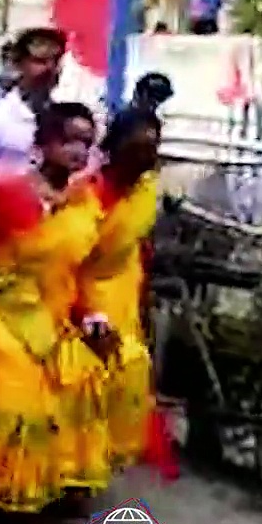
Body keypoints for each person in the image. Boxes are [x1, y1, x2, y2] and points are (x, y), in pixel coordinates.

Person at [0, 102, 106, 512]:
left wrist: (90, 314)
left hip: (52, 315)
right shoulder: (5, 190)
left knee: (63, 397)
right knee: (8, 406)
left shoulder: (84, 204)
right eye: (68, 140)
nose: (77, 151)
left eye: (85, 144)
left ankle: (11, 497)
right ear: (43, 143)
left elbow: (81, 268)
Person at [81, 106, 162, 473]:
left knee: (132, 367)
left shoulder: (146, 191)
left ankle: (104, 457)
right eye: (138, 146)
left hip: (125, 287)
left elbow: (138, 244)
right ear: (117, 146)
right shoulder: (90, 190)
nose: (147, 156)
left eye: (153, 147)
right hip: (87, 285)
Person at [0, 27, 65, 173]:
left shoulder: (61, 118)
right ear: (19, 64)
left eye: (56, 61)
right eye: (40, 61)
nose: (50, 69)